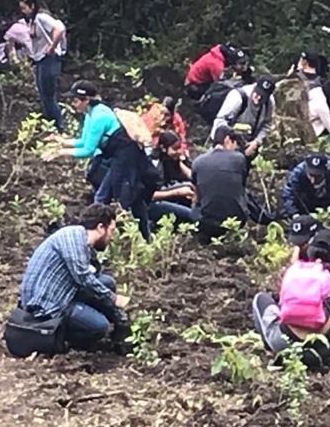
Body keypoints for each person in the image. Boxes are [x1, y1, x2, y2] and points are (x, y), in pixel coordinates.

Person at [42, 81, 154, 239]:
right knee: (118, 196)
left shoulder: (99, 116)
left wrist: (60, 153)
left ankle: (96, 235)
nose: (73, 104)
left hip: (127, 156)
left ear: (86, 100)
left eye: (75, 100)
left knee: (109, 196)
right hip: (116, 155)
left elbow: (88, 150)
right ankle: (142, 236)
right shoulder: (91, 113)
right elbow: (83, 141)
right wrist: (60, 141)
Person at [18, 203, 131, 350]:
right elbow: (83, 278)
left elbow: (92, 275)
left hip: (59, 290)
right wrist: (113, 299)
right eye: (111, 230)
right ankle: (61, 338)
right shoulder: (74, 239)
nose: (112, 236)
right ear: (100, 227)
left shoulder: (80, 239)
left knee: (106, 282)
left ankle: (120, 329)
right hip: (47, 304)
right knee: (99, 327)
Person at [252, 228, 330, 367]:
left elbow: (283, 303)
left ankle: (272, 347)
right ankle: (317, 355)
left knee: (260, 299)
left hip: (287, 340)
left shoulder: (293, 271)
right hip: (326, 344)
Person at [20, 0, 67, 132]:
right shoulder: (33, 20)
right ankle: (52, 126)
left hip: (49, 59)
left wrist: (52, 47)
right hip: (40, 59)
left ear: (32, 6)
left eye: (24, 8)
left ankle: (59, 127)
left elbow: (59, 29)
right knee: (43, 94)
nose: (22, 11)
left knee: (48, 95)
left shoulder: (41, 17)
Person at [192, 125, 250, 238]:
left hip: (206, 223)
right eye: (235, 144)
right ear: (227, 140)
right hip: (236, 222)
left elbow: (196, 195)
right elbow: (242, 185)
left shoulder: (198, 162)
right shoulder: (239, 159)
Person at [210, 75, 276, 158]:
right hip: (226, 144)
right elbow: (220, 120)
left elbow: (267, 125)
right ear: (255, 86)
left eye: (263, 97)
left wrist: (256, 142)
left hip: (247, 146)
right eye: (257, 93)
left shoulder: (269, 103)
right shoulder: (238, 96)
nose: (258, 98)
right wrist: (225, 144)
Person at [148, 130, 196, 225]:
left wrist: (179, 162)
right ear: (163, 148)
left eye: (179, 148)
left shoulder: (172, 160)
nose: (178, 151)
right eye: (175, 149)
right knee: (192, 215)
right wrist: (177, 192)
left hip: (169, 198)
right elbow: (150, 195)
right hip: (153, 203)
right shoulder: (154, 164)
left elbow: (192, 176)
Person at [184, 42, 248, 100]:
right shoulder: (216, 65)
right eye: (241, 64)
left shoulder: (218, 53)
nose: (244, 67)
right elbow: (220, 85)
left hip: (202, 79)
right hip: (196, 86)